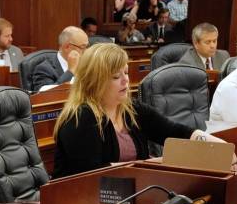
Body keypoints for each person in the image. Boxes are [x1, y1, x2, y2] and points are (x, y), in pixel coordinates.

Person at [53, 43, 221, 177]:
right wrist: (152, 164)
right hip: (81, 203)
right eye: (116, 77)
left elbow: (173, 131)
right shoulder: (80, 117)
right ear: (94, 81)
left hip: (128, 195)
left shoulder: (131, 109)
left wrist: (216, 146)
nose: (126, 81)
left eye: (125, 73)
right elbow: (93, 175)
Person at [31, 26, 87, 91]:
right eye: (83, 47)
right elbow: (46, 96)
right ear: (67, 47)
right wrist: (70, 71)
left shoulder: (85, 64)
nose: (86, 51)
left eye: (87, 46)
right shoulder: (45, 69)